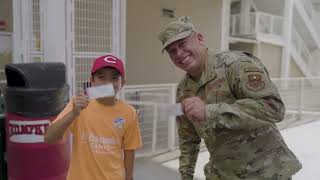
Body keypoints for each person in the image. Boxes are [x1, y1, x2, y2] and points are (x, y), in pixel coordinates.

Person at [158, 16, 302, 180]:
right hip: (222, 174)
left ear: (199, 38)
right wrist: (186, 175)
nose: (178, 53)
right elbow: (188, 139)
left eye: (182, 44)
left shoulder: (235, 65)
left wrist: (209, 112)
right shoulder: (183, 90)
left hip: (267, 173)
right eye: (172, 51)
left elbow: (274, 108)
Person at [44, 54, 142, 180]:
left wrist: (129, 178)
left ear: (122, 82)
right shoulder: (77, 104)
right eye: (101, 77)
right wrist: (73, 114)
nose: (108, 83)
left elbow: (129, 149)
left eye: (114, 78)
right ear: (92, 80)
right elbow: (49, 138)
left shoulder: (129, 112)